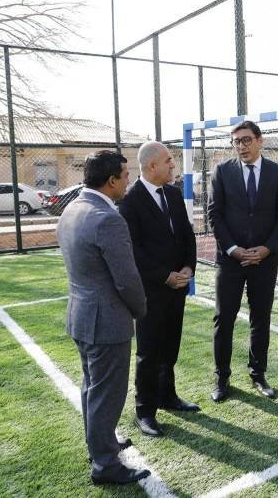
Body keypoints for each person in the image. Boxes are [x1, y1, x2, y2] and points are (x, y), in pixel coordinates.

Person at [56, 150, 150, 485]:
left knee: (92, 388)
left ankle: (101, 444)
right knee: (106, 395)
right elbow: (126, 279)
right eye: (126, 175)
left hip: (81, 316)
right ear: (111, 181)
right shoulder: (108, 219)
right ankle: (105, 465)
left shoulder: (73, 209)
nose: (129, 180)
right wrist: (141, 310)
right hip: (106, 322)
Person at [117, 142, 200, 439]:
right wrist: (165, 276)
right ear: (152, 166)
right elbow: (134, 251)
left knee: (170, 347)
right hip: (152, 290)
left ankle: (168, 396)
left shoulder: (174, 195)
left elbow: (187, 237)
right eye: (168, 161)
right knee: (149, 352)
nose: (173, 165)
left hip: (178, 288)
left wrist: (188, 269)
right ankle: (145, 411)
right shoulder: (130, 202)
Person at [208, 120, 278, 402]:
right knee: (224, 318)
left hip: (264, 261)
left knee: (260, 318)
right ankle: (222, 378)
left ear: (259, 141)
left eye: (245, 140)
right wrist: (232, 248)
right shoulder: (221, 172)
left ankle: (258, 374)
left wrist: (267, 249)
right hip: (231, 260)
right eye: (236, 142)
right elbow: (214, 214)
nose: (240, 146)